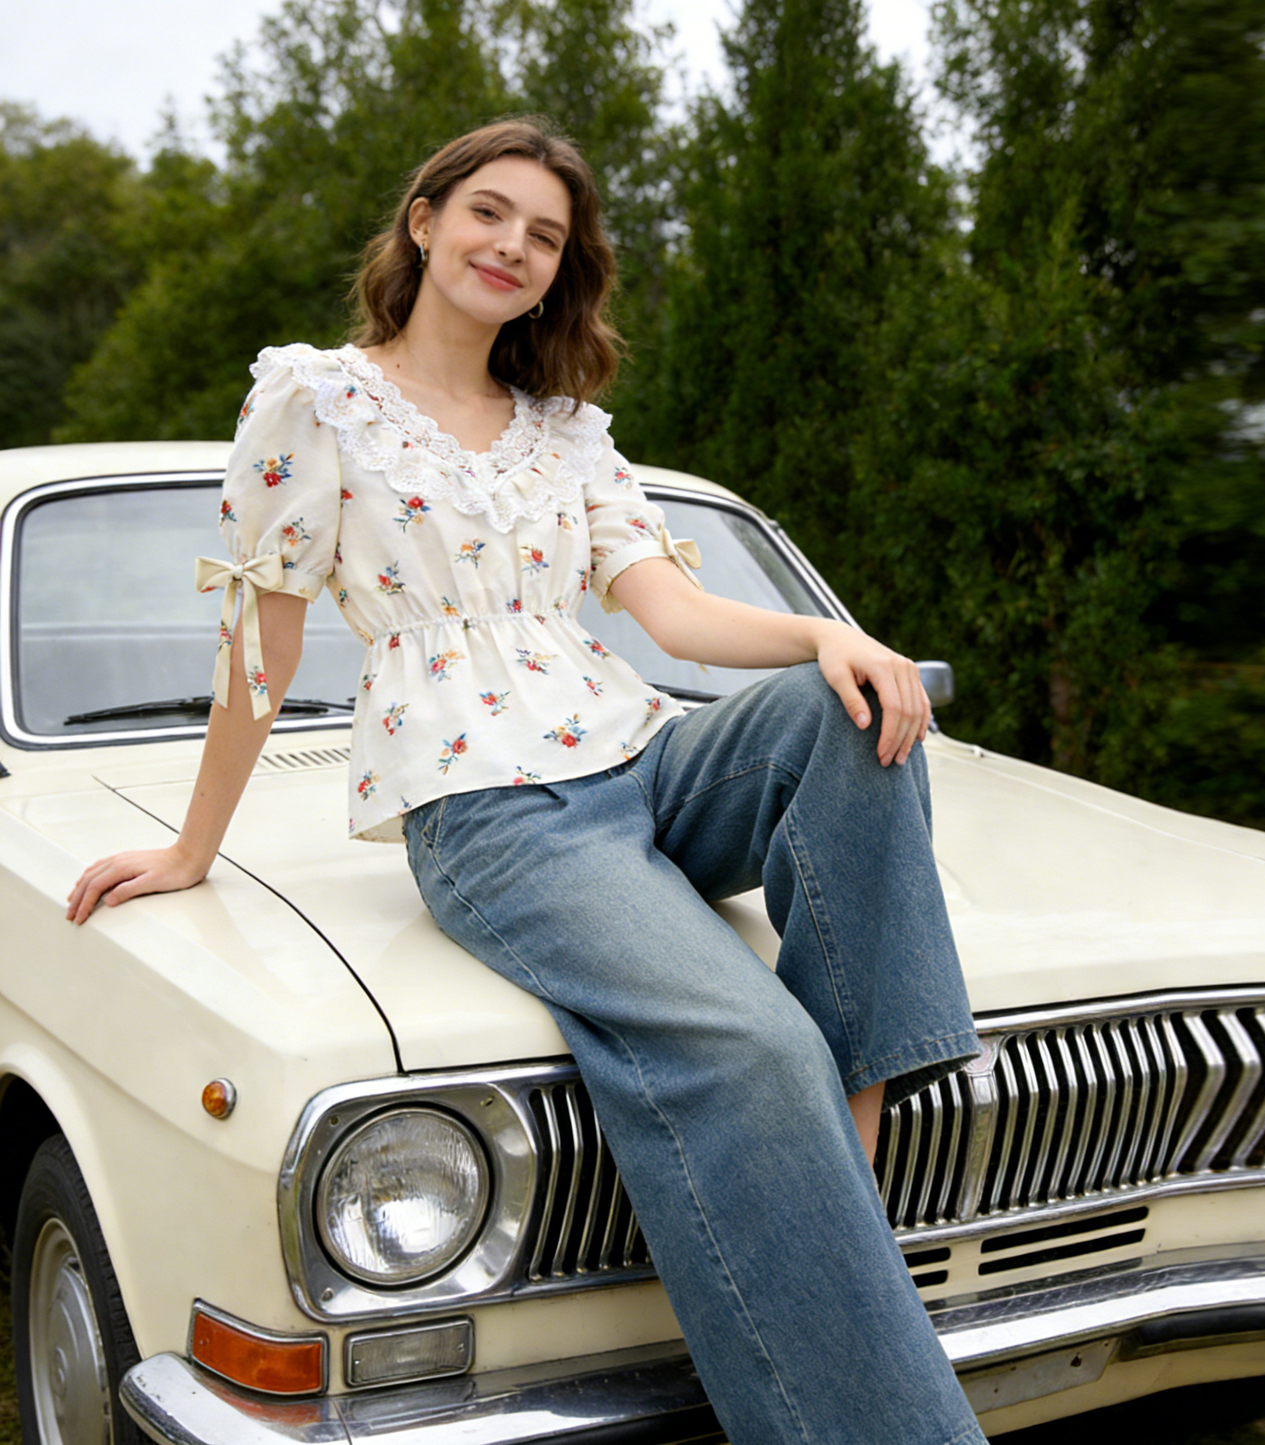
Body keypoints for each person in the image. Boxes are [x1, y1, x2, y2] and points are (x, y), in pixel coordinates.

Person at [67, 117, 988, 1445]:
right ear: (427, 218)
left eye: (546, 235)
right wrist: (190, 851)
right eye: (490, 213)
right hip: (495, 806)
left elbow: (670, 615)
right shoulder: (315, 397)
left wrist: (824, 634)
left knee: (844, 714)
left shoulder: (569, 428)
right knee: (754, 1042)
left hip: (643, 756)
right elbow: (260, 644)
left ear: (561, 271)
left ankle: (850, 1127)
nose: (514, 245)